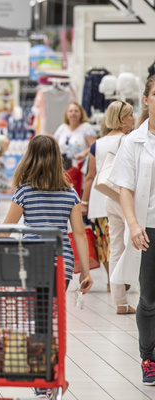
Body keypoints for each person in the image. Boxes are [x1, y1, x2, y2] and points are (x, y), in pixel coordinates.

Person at [0, 135, 94, 398]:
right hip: (61, 264)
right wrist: (85, 272)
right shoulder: (69, 193)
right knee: (51, 319)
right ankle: (52, 376)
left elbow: (5, 230)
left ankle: (45, 381)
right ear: (56, 159)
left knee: (39, 321)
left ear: (30, 158)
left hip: (31, 263)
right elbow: (79, 234)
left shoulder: (24, 191)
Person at [109, 74, 155, 385]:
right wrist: (133, 223)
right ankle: (148, 357)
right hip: (148, 226)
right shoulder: (133, 140)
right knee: (149, 298)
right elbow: (124, 187)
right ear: (147, 99)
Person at [81, 101, 136, 312]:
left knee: (115, 251)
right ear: (122, 119)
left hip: (108, 199)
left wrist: (85, 202)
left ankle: (120, 302)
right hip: (127, 199)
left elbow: (91, 175)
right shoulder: (128, 140)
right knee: (138, 246)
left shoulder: (98, 143)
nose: (133, 118)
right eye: (130, 115)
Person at [54, 102, 96, 167]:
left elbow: (94, 146)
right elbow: (53, 144)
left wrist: (83, 154)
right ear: (66, 114)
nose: (73, 113)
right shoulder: (62, 128)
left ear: (81, 113)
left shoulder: (86, 128)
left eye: (76, 111)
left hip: (80, 166)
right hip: (62, 165)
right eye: (70, 111)